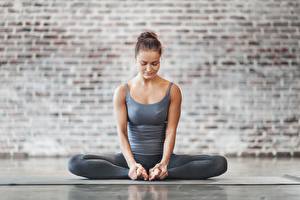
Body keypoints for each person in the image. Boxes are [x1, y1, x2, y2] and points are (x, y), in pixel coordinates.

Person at [68, 31, 227, 181]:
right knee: (76, 162)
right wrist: (131, 165)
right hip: (130, 160)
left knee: (219, 162)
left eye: (155, 63)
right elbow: (122, 132)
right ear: (135, 59)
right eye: (144, 63)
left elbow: (171, 131)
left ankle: (162, 173)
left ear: (160, 60)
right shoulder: (123, 91)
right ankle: (132, 174)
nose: (149, 69)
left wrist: (164, 163)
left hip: (163, 159)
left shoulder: (173, 90)